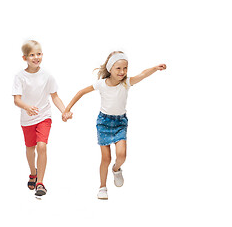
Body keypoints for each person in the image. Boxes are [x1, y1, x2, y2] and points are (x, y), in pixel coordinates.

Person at [62, 51, 166, 199]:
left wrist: (155, 68)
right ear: (110, 68)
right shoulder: (101, 84)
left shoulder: (126, 83)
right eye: (118, 68)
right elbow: (81, 92)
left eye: (125, 68)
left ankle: (116, 169)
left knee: (122, 155)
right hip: (103, 122)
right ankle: (102, 187)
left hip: (120, 123)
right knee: (106, 158)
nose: (122, 72)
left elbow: (142, 74)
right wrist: (67, 109)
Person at [12, 40, 72, 196]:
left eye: (38, 54)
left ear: (42, 55)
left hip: (44, 116)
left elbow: (55, 96)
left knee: (42, 146)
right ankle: (33, 172)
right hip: (27, 119)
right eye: (32, 55)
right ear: (24, 58)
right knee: (30, 149)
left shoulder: (47, 76)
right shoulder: (20, 77)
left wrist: (64, 111)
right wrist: (27, 107)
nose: (36, 57)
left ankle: (40, 183)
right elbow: (16, 100)